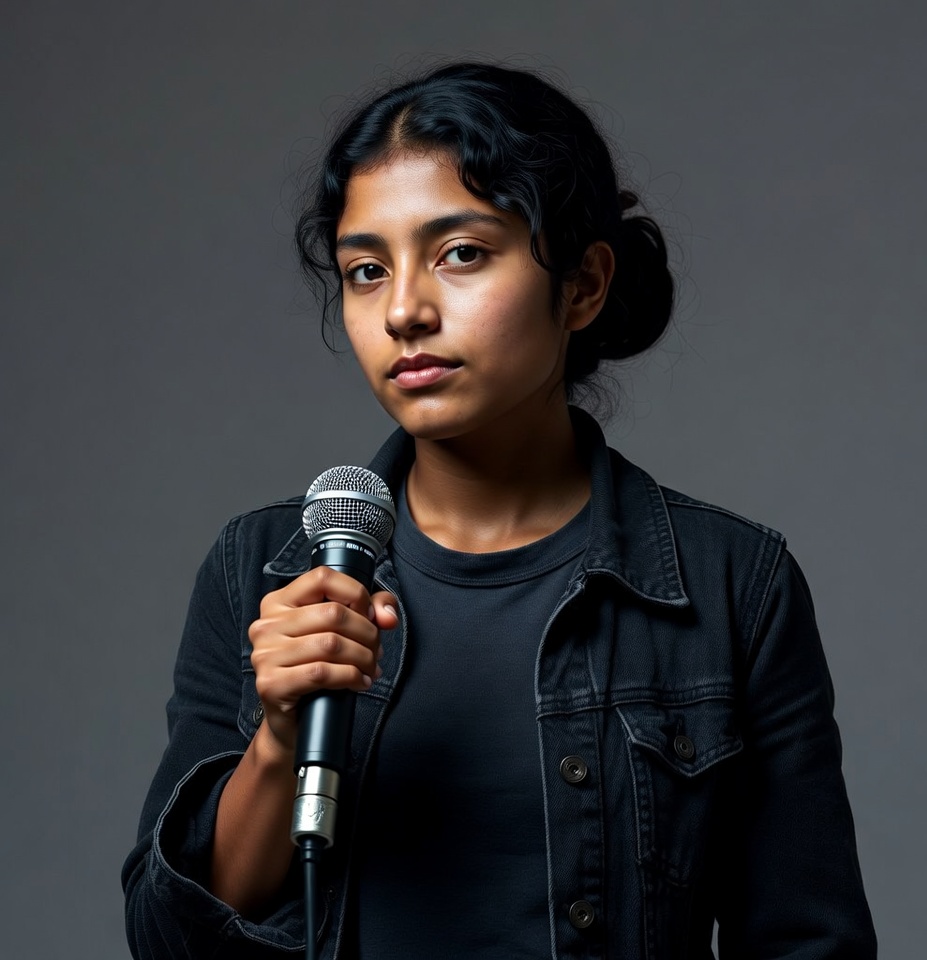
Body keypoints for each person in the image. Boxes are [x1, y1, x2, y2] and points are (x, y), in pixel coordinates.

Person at [122, 62, 877, 959]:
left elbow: (809, 943)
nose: (404, 311)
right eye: (367, 270)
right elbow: (169, 941)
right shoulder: (262, 568)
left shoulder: (732, 586)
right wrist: (282, 738)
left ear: (583, 284)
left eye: (461, 253)